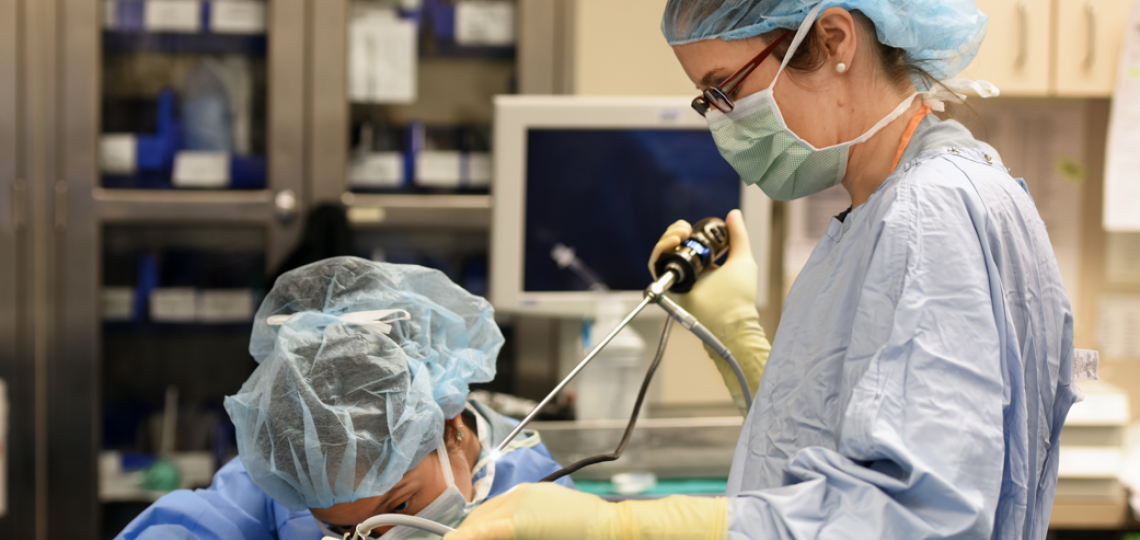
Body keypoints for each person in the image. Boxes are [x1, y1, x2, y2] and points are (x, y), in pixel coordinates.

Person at [448, 1, 1075, 539]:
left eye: (726, 87)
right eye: (706, 100)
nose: (721, 118)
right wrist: (740, 340)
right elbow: (846, 444)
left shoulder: (926, 212)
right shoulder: (892, 205)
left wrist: (622, 525)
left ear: (833, 41)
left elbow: (906, 518)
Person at [115, 257, 573, 540]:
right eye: (340, 531)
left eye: (398, 508)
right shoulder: (295, 469)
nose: (379, 537)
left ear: (450, 423)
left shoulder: (538, 493)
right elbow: (200, 526)